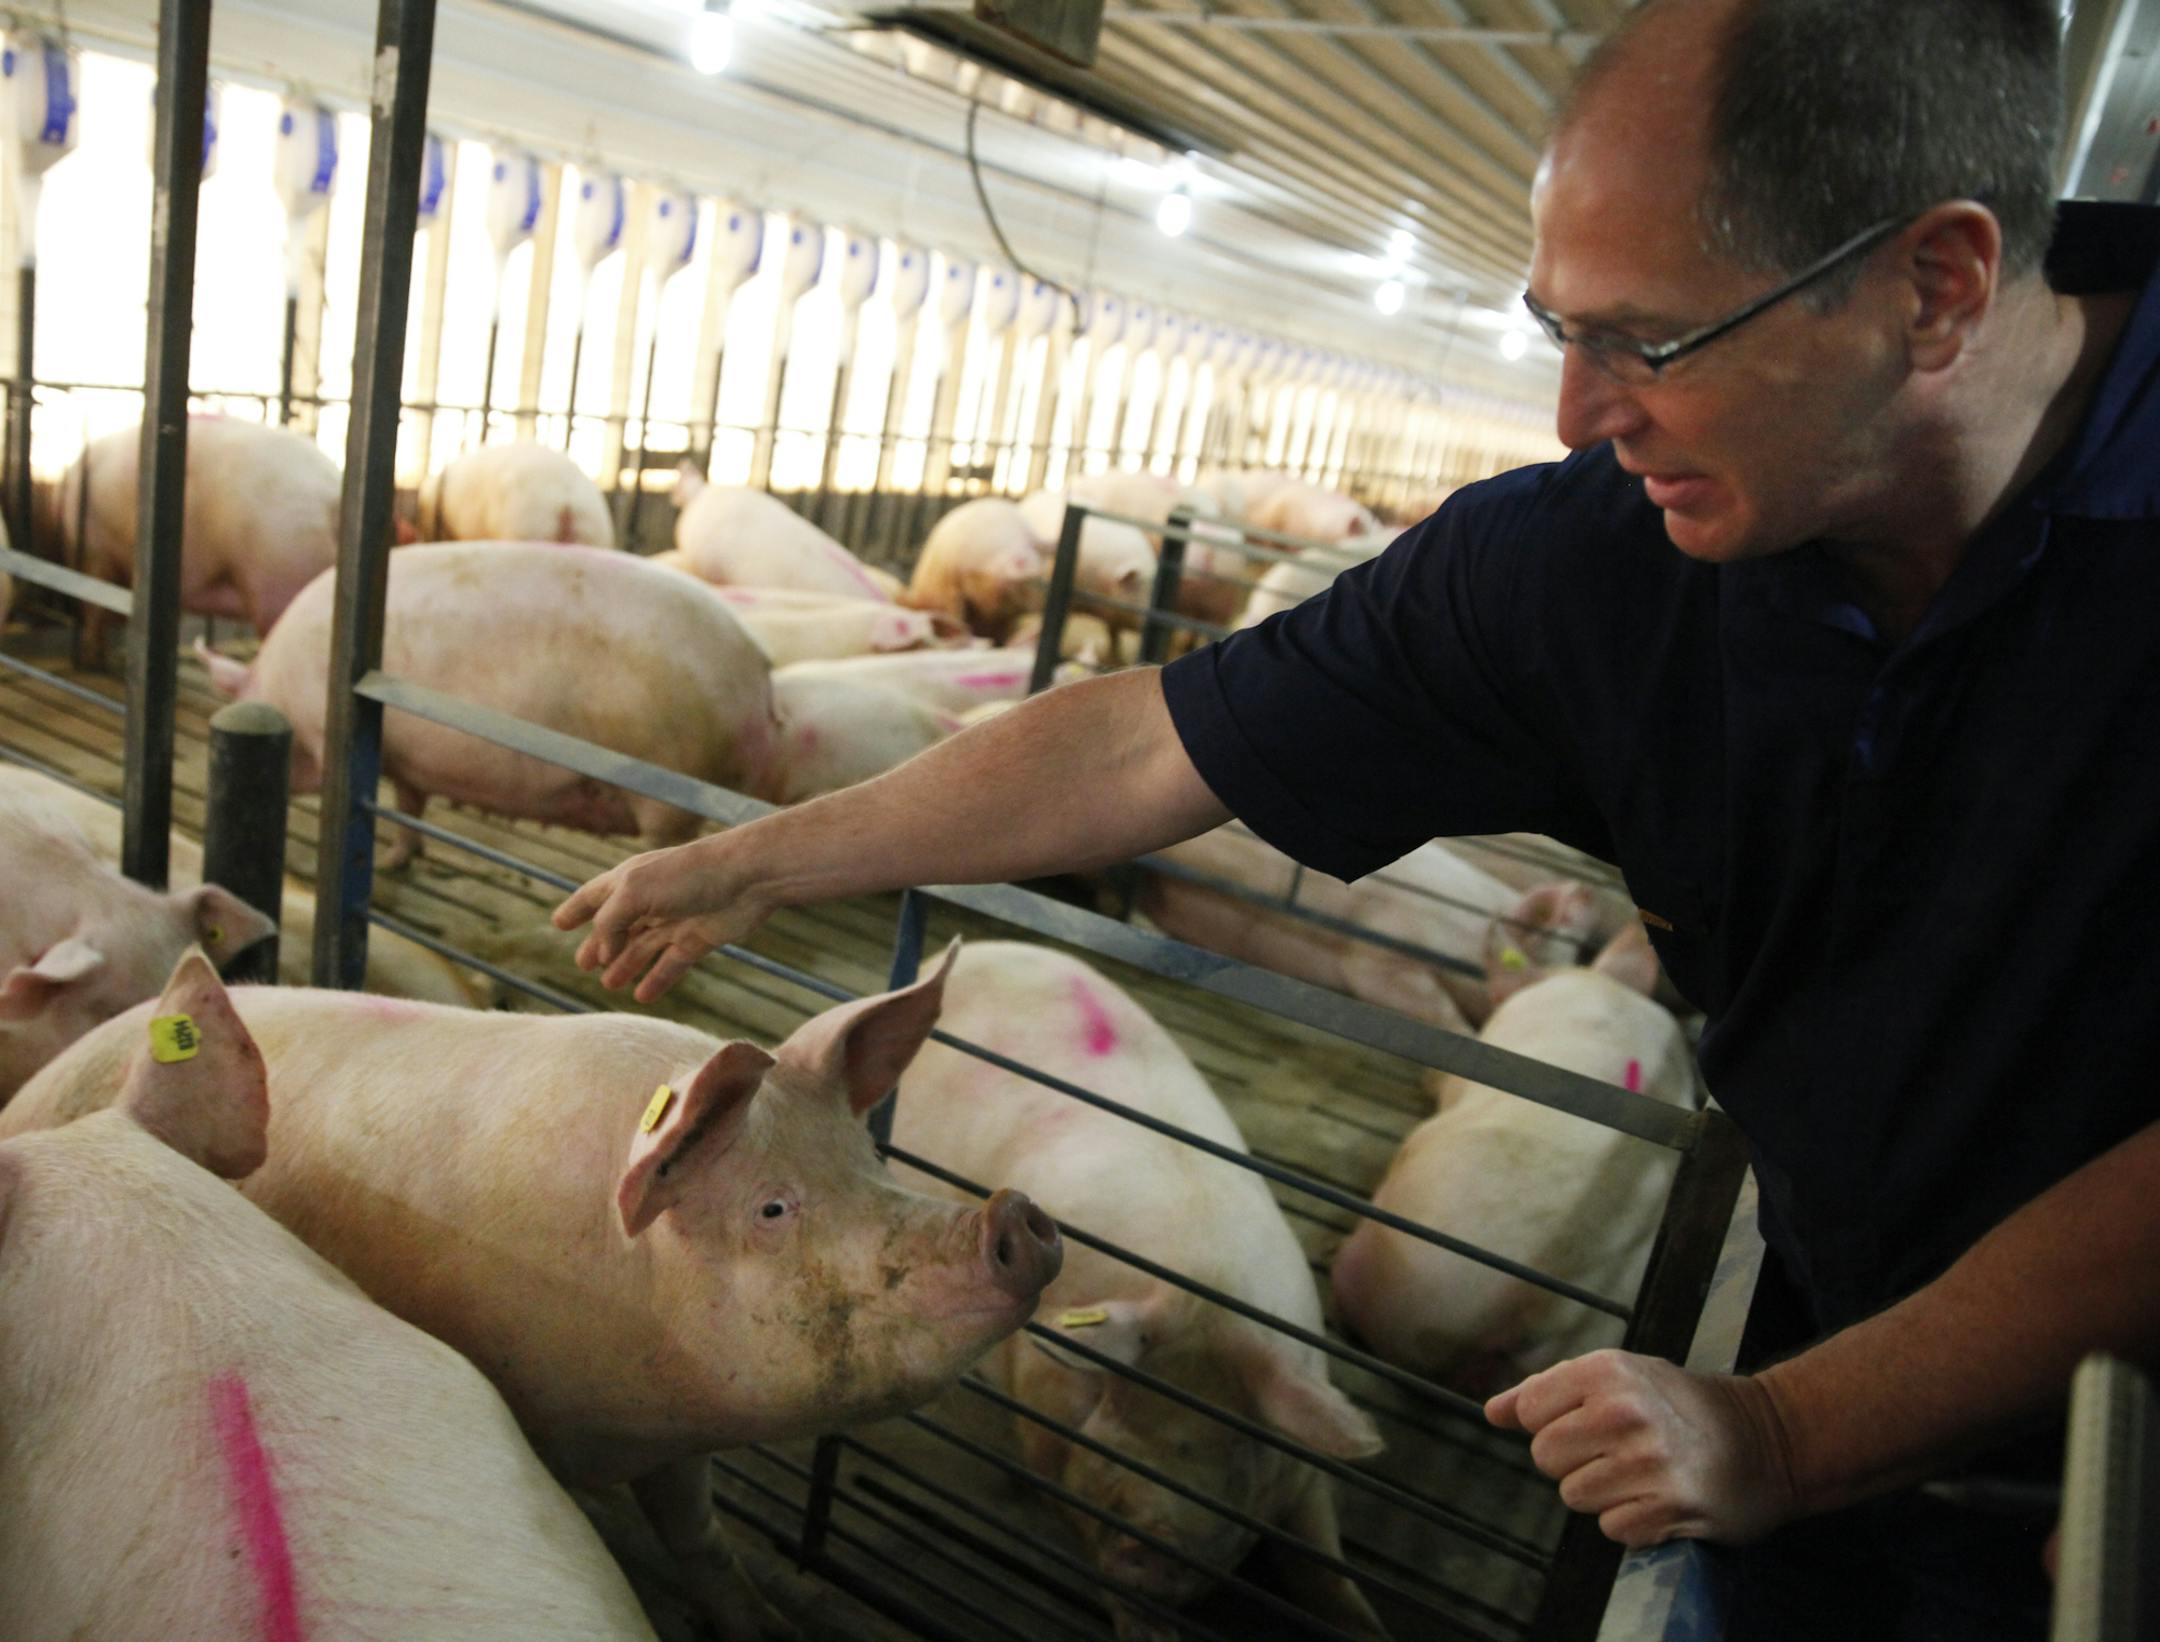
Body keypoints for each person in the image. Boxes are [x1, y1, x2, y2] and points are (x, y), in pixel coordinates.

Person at [556, 0, 2160, 1634]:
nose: (1576, 410)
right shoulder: (1588, 562)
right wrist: (758, 853)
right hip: (1827, 1357)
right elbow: (1143, 743)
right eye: (1557, 328)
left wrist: (1794, 1430)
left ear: (1934, 286)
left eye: (1647, 339)